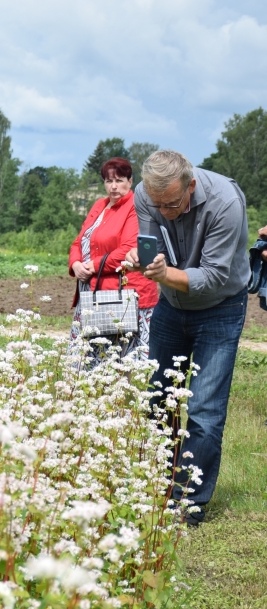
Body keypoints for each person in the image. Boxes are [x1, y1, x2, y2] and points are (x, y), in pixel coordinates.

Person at [125, 150, 250, 527]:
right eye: (156, 203)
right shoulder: (146, 195)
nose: (163, 210)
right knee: (158, 398)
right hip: (170, 306)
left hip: (220, 307)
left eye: (172, 203)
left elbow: (211, 277)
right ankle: (162, 488)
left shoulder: (225, 202)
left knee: (205, 411)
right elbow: (152, 245)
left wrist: (163, 275)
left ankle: (189, 505)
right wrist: (142, 258)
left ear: (190, 186)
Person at [68, 157, 158, 357]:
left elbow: (127, 249)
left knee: (122, 359)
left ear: (130, 181)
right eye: (109, 181)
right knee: (88, 360)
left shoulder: (136, 206)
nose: (114, 187)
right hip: (92, 291)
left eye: (119, 180)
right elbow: (79, 241)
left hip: (124, 295)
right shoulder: (99, 205)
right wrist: (75, 264)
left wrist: (93, 265)